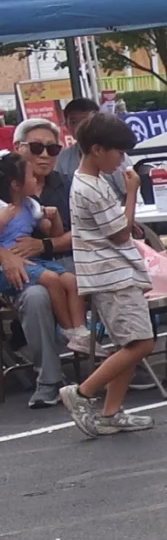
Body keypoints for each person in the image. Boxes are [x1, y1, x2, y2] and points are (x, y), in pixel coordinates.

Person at [59, 113, 158, 438]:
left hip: (112, 274)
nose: (122, 159)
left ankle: (111, 412)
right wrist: (131, 192)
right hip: (112, 276)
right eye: (118, 152)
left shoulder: (92, 181)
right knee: (141, 343)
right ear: (98, 149)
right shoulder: (90, 186)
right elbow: (119, 232)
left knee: (128, 345)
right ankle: (83, 392)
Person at [4, 123, 77, 407]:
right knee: (36, 296)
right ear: (18, 150)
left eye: (53, 148)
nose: (45, 155)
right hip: (20, 272)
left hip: (65, 262)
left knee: (101, 277)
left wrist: (44, 245)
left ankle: (120, 363)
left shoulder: (68, 184)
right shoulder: (5, 192)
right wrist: (6, 256)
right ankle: (49, 379)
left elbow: (84, 230)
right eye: (36, 148)